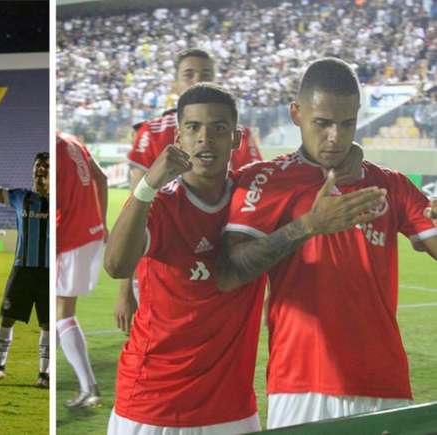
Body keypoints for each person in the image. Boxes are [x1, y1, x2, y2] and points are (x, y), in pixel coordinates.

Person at [103, 82, 376, 434]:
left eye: (219, 128)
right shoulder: (162, 204)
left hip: (230, 411)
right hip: (150, 404)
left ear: (236, 139)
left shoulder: (256, 192)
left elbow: (316, 156)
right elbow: (116, 265)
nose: (205, 138)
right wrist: (146, 187)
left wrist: (353, 151)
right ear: (178, 137)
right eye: (193, 127)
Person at [217, 57, 437, 428]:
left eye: (347, 123)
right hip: (303, 384)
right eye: (322, 123)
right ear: (296, 113)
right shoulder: (264, 181)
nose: (336, 137)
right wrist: (309, 225)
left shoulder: (391, 185)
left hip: (386, 384)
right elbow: (229, 273)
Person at [116, 48, 263, 333]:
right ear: (175, 83)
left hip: (225, 270)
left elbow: (257, 197)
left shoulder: (238, 135)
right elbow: (134, 214)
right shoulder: (153, 132)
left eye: (205, 74)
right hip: (163, 269)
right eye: (189, 74)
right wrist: (125, 291)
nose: (197, 80)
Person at [0, 151, 50, 388]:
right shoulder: (20, 197)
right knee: (7, 318)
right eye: (37, 166)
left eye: (46, 166)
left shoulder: (64, 200)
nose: (40, 169)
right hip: (22, 270)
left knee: (46, 324)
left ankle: (44, 374)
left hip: (48, 272)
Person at [56, 132, 108, 408]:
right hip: (91, 233)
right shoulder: (72, 141)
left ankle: (90, 388)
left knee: (64, 313)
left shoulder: (55, 153)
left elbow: (58, 205)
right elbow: (103, 178)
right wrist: (103, 224)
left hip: (70, 239)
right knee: (57, 310)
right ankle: (47, 367)